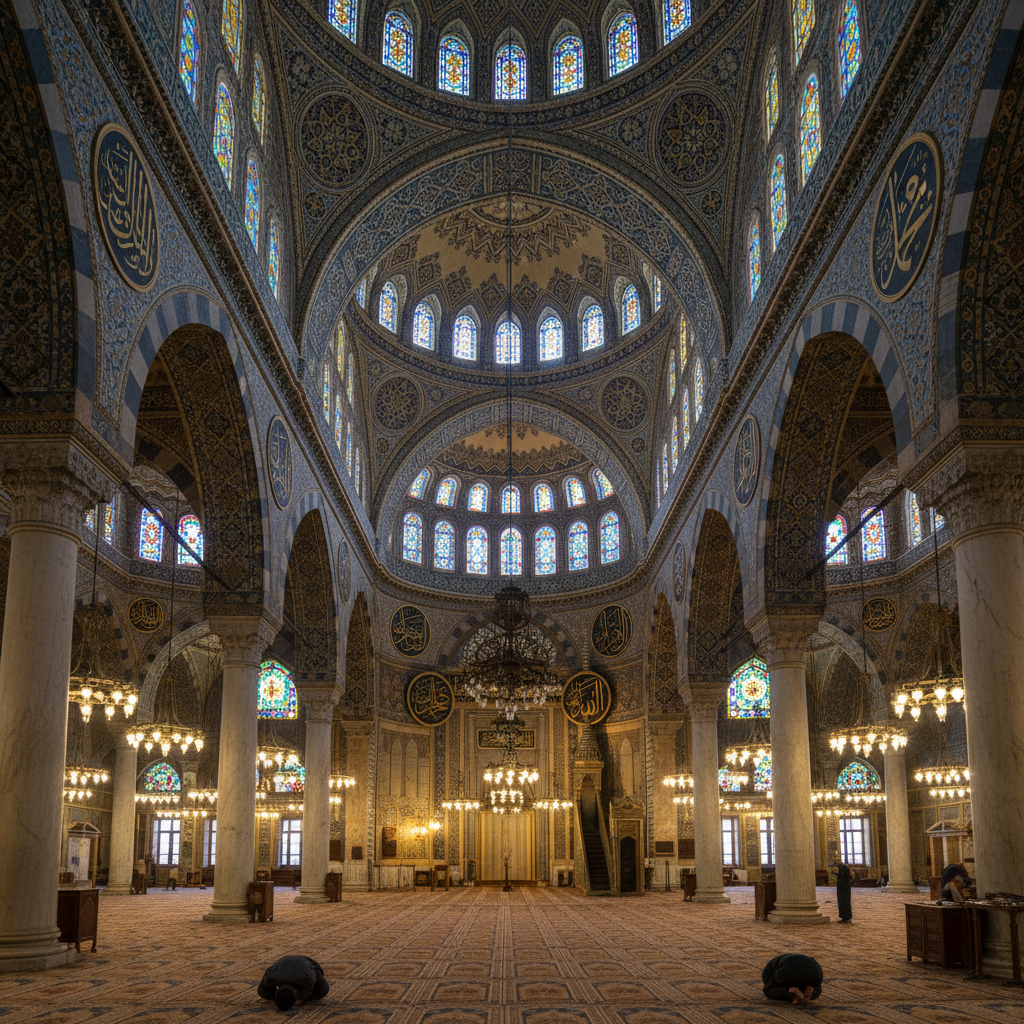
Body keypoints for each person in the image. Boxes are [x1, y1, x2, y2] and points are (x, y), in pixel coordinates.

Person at [257, 955, 330, 1011]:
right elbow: (261, 990)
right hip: (285, 961)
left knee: (323, 988)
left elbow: (321, 989)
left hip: (307, 963)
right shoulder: (271, 977)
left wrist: (301, 998)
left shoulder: (306, 979)